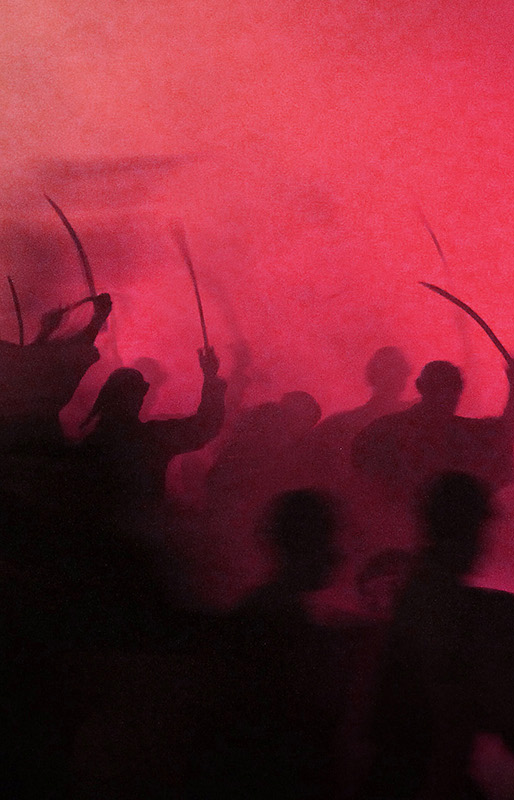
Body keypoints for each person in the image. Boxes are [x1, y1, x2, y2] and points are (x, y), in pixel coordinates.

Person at [365, 472, 514, 798]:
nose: (483, 542)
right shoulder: (452, 608)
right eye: (479, 528)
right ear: (468, 530)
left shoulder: (413, 596)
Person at [193, 489, 346, 799]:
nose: (335, 553)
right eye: (326, 539)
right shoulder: (278, 619)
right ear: (306, 545)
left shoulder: (262, 609)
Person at [75, 345, 226, 524]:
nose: (144, 397)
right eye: (138, 394)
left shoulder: (88, 443)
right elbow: (205, 426)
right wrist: (210, 377)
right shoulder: (149, 438)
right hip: (141, 530)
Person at [351, 357, 514, 499]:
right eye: (440, 386)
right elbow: (509, 430)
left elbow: (508, 429)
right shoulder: (465, 434)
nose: (446, 393)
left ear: (419, 386)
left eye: (452, 386)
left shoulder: (385, 429)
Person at [0, 292, 111, 456]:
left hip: (14, 440)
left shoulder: (17, 364)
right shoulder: (45, 382)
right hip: (42, 440)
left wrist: (46, 331)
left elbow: (30, 360)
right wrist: (97, 319)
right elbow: (36, 361)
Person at [298, 346, 414, 479]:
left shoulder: (341, 423)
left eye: (395, 371)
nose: (391, 377)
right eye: (389, 371)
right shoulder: (416, 419)